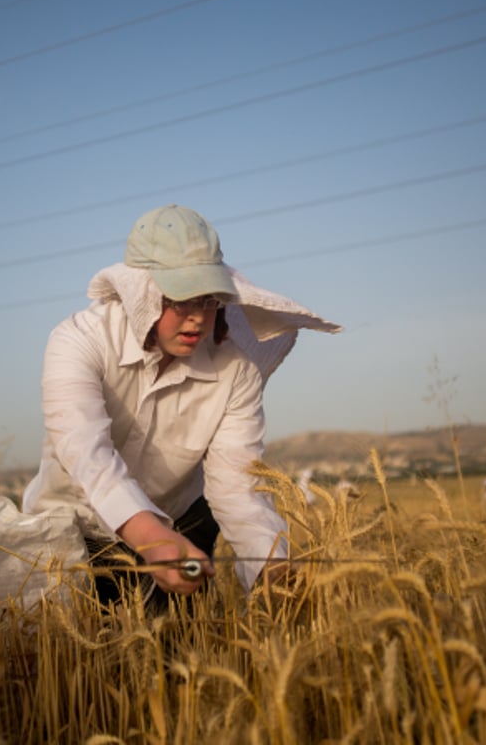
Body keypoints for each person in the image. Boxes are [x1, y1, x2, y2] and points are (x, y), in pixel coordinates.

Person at [21, 204, 339, 608]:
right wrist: (148, 535)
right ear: (143, 293)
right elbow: (86, 454)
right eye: (181, 300)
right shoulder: (77, 341)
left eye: (208, 301)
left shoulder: (235, 369)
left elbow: (236, 484)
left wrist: (270, 566)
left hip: (182, 525)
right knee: (81, 652)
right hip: (73, 533)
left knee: (178, 650)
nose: (197, 319)